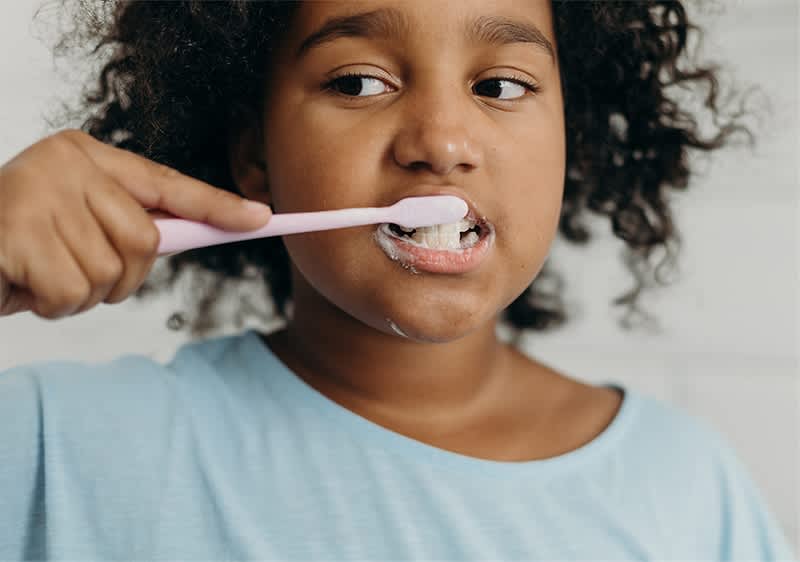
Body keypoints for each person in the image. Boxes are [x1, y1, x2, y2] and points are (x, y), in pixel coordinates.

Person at [0, 1, 795, 559]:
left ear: (570, 144)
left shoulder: (685, 487)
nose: (442, 140)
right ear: (255, 154)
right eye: (357, 82)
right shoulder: (48, 448)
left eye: (502, 86)